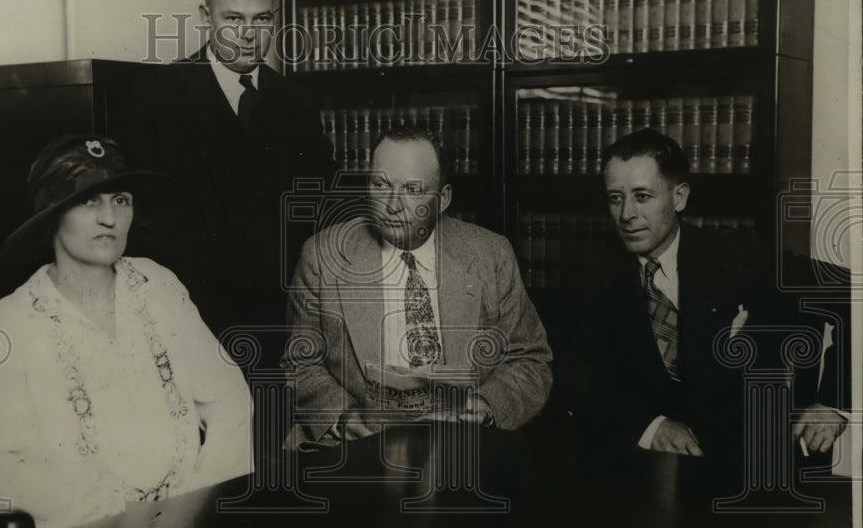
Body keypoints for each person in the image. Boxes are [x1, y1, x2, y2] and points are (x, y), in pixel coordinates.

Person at [0, 135, 253, 528]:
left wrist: (201, 504)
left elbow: (230, 398)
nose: (109, 219)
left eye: (121, 200)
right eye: (87, 201)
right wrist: (99, 512)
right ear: (52, 216)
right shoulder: (11, 324)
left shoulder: (158, 285)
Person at [564, 127, 846, 459]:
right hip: (645, 467)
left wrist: (833, 403)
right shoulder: (595, 270)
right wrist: (650, 427)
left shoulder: (741, 255)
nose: (627, 214)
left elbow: (852, 295)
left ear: (679, 197)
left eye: (642, 196)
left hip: (747, 464)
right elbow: (576, 374)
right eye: (615, 197)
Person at [282, 126, 553, 449]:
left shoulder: (490, 254)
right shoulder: (323, 256)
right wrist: (344, 418)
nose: (392, 204)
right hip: (355, 450)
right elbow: (300, 362)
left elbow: (531, 359)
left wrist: (487, 406)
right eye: (381, 184)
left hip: (465, 445)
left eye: (412, 189)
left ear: (443, 199)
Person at [124, 0, 335, 355]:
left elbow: (319, 207)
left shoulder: (296, 103)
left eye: (261, 19)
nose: (248, 34)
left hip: (279, 324)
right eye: (233, 19)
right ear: (206, 17)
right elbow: (139, 222)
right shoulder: (154, 97)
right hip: (185, 325)